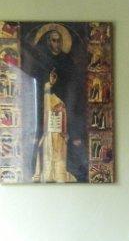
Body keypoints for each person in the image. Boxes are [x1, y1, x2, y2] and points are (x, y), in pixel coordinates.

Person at [23, 24, 87, 181]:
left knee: (61, 143)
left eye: (59, 41)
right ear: (47, 41)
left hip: (63, 110)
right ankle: (43, 172)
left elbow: (75, 89)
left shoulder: (68, 62)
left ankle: (62, 172)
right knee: (45, 142)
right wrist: (48, 84)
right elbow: (33, 87)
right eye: (53, 40)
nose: (57, 44)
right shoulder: (40, 60)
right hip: (44, 109)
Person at [32, 69, 76, 182]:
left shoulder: (63, 100)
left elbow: (67, 116)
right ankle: (49, 175)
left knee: (60, 159)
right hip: (49, 133)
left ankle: (59, 175)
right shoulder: (47, 98)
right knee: (48, 156)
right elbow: (45, 108)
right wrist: (49, 84)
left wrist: (65, 132)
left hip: (60, 134)